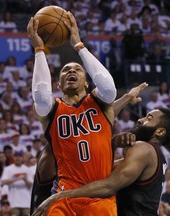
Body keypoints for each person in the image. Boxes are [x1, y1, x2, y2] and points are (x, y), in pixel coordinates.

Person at [27, 8, 120, 215]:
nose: (71, 71)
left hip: (99, 195)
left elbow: (109, 88)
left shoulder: (100, 102)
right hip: (64, 194)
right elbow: (41, 96)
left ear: (87, 82)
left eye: (77, 69)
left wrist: (79, 45)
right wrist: (39, 50)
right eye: (65, 70)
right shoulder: (52, 109)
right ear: (58, 85)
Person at [33, 107, 170, 216]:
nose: (140, 119)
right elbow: (99, 169)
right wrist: (112, 144)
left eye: (148, 118)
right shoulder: (155, 155)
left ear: (160, 132)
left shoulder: (144, 148)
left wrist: (59, 196)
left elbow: (108, 186)